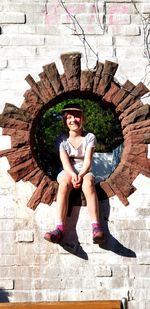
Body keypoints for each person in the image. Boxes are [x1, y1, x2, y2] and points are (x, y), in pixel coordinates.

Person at [44, 103, 104, 244]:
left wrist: (81, 175)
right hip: (68, 170)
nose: (73, 120)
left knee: (89, 183)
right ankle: (59, 229)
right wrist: (73, 175)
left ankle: (96, 227)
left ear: (82, 118)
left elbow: (88, 161)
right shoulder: (62, 140)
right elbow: (65, 163)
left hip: (85, 170)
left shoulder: (89, 137)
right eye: (69, 117)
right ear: (65, 121)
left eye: (76, 116)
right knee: (64, 182)